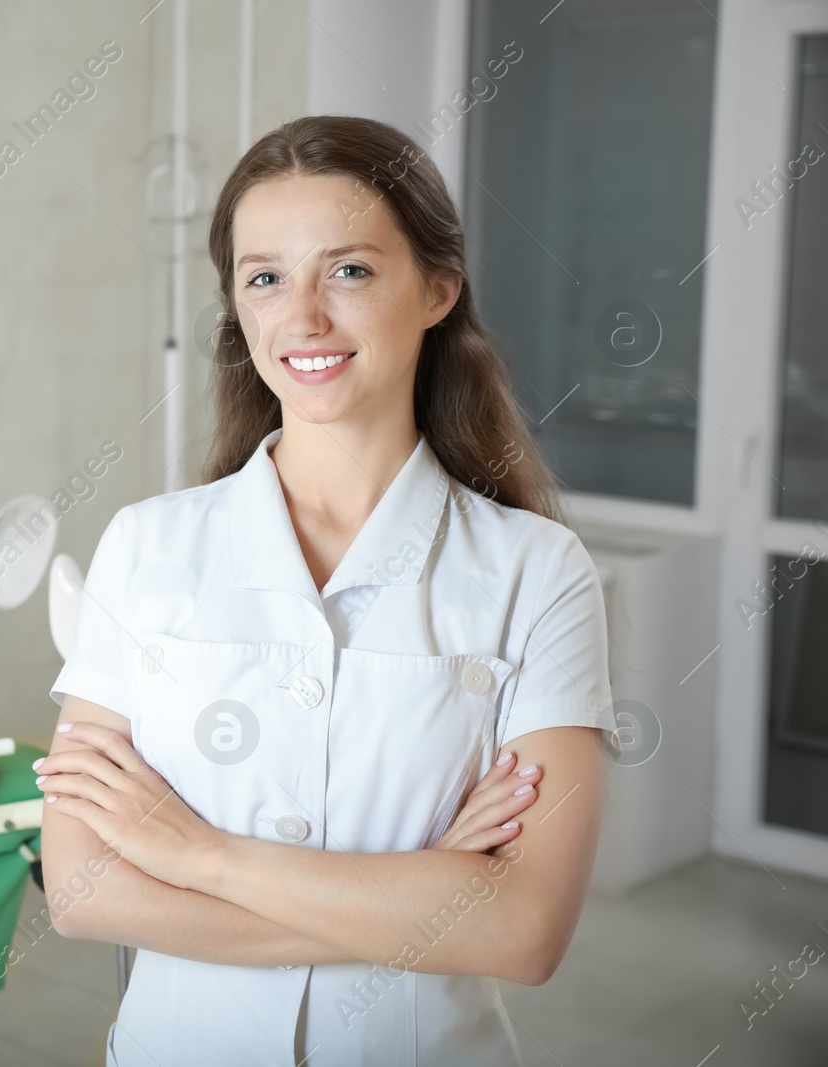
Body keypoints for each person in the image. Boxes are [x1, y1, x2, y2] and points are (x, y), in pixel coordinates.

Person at [34, 115, 614, 1066]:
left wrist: (193, 854)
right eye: (266, 278)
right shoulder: (147, 545)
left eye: (347, 270)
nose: (302, 317)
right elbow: (85, 887)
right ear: (238, 306)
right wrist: (428, 890)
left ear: (436, 289)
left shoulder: (535, 573)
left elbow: (524, 931)